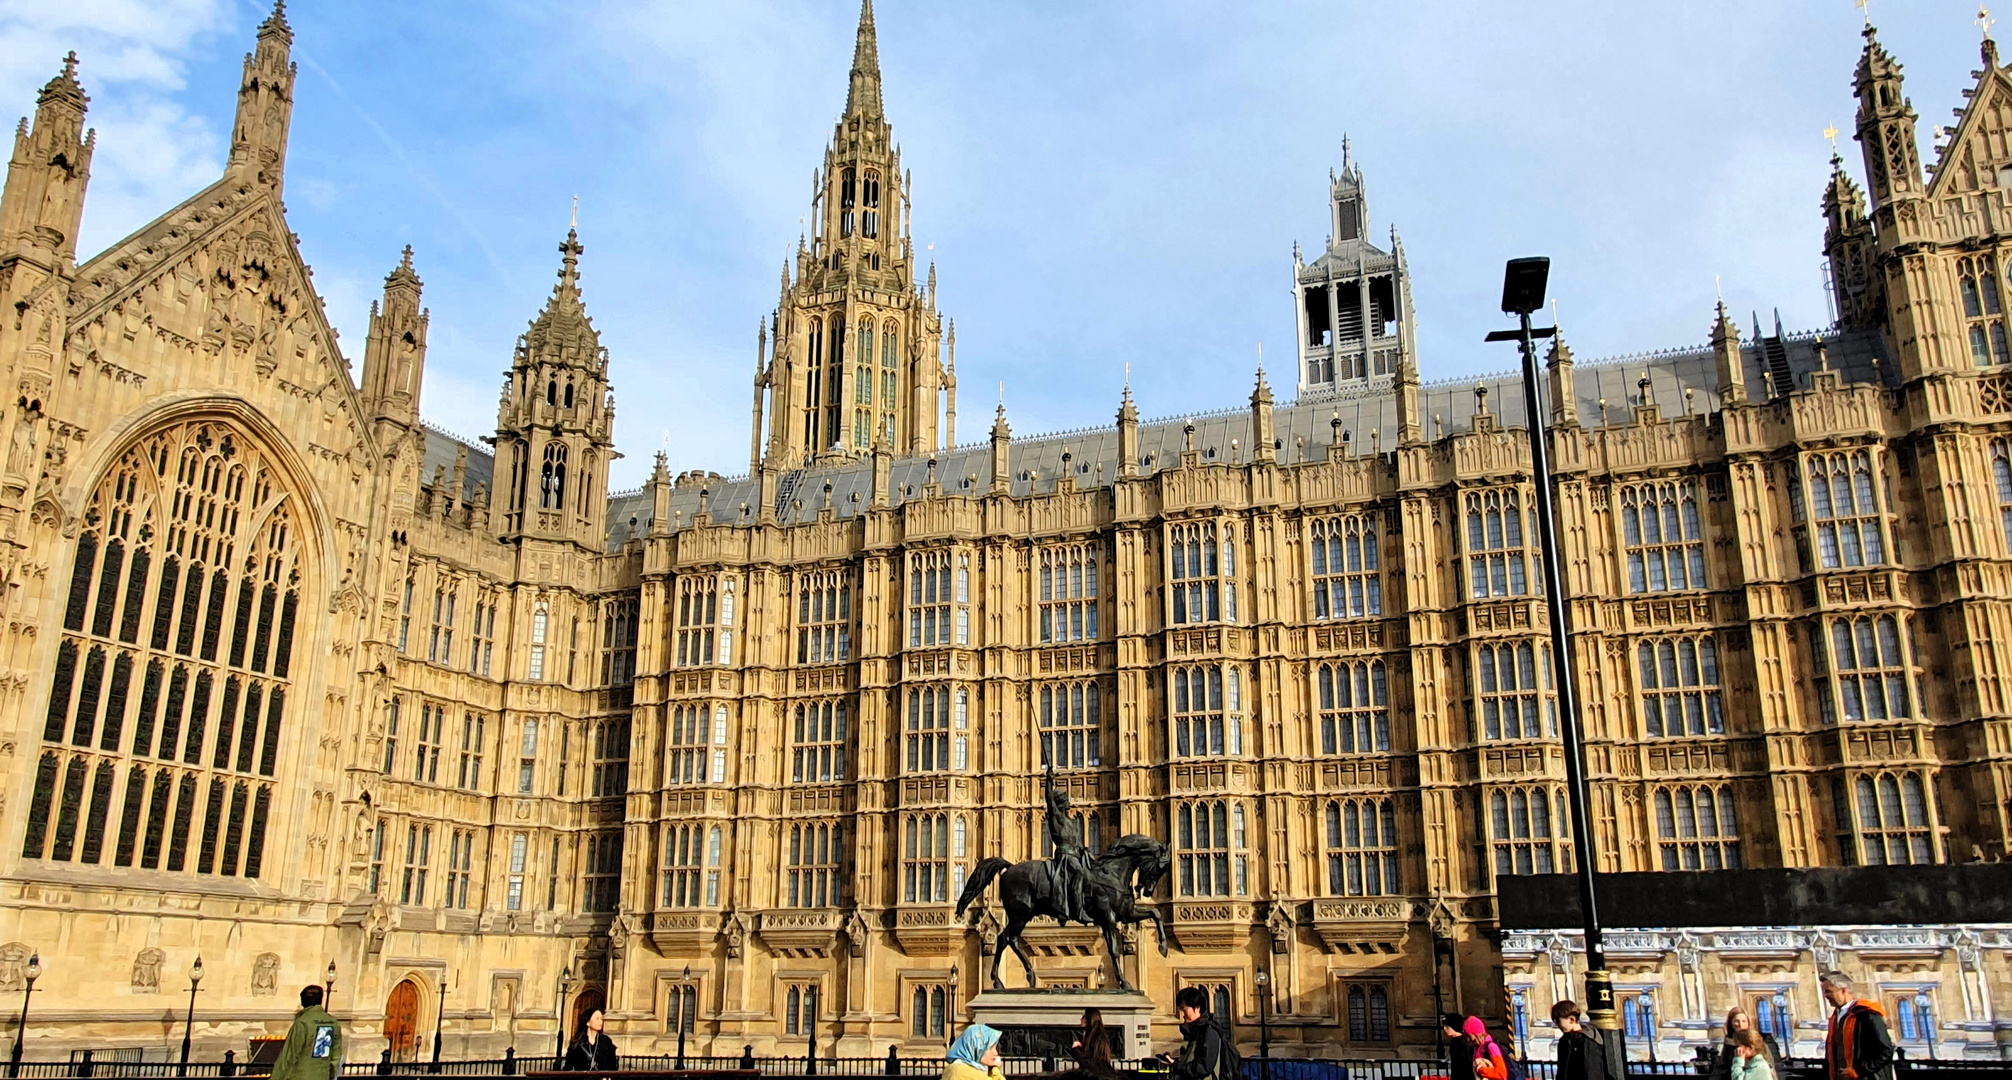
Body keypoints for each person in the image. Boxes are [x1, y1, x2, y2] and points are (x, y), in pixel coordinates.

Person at [1821, 971, 1895, 1080]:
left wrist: (1859, 1071)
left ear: (1844, 990)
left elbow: (1885, 1050)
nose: (1825, 995)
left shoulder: (1867, 1014)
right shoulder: (1835, 1017)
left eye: (1828, 991)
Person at [1045, 765, 1093, 924]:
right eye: (1065, 801)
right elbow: (1049, 802)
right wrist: (1049, 782)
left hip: (1076, 854)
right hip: (1065, 856)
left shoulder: (1070, 822)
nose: (1068, 803)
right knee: (1079, 873)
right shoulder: (1056, 817)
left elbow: (1077, 842)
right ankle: (1078, 911)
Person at [269, 984, 342, 1080]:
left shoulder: (302, 1022)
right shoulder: (333, 1023)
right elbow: (336, 1056)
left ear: (303, 1001)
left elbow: (289, 1056)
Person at [1163, 986, 1230, 1080]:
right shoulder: (1195, 1031)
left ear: (1197, 1008)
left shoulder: (1209, 1032)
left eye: (1184, 1009)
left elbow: (1203, 1067)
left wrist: (1176, 1065)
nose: (1182, 1015)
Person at [1709, 1007, 1782, 1080]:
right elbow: (1723, 1067)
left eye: (1744, 1021)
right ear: (1731, 1023)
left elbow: (1771, 1065)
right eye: (1737, 1021)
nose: (1740, 1024)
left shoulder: (1758, 1040)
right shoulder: (1728, 1044)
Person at [1550, 1000, 1606, 1080]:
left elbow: (1592, 1073)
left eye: (1558, 1021)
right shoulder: (1564, 1041)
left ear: (1572, 1019)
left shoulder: (1588, 1041)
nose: (1557, 1025)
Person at [565, 1008, 619, 1072]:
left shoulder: (606, 1041)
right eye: (597, 1019)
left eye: (601, 1019)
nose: (600, 1022)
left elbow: (612, 1067)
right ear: (588, 1022)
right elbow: (568, 1068)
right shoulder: (577, 1044)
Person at [1070, 1008, 1117, 1080]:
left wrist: (1075, 1049)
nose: (1081, 1019)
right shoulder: (1094, 1035)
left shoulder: (1097, 1036)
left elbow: (1089, 1061)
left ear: (1089, 1019)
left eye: (1084, 1017)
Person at [1463, 1016, 1508, 1080]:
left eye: (1469, 1035)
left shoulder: (1492, 1047)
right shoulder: (1477, 1048)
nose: (1468, 1039)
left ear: (1476, 1033)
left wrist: (1481, 1070)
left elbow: (1501, 1073)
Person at [1440, 1015, 1476, 1080]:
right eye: (1444, 1026)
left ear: (1454, 1027)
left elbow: (1466, 1063)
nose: (1444, 1029)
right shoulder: (1458, 1041)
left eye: (1447, 1026)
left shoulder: (1461, 1042)